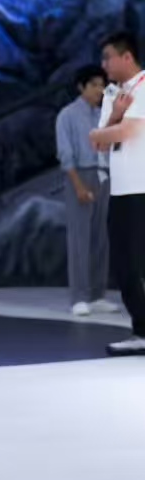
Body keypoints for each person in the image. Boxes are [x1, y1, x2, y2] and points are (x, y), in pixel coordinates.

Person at [91, 31, 145, 355]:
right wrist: (113, 117)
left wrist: (109, 128)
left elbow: (128, 130)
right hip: (121, 190)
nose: (104, 65)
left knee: (137, 262)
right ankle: (141, 329)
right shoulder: (113, 93)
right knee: (125, 264)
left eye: (108, 57)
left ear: (127, 57)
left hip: (142, 188)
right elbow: (99, 142)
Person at [55, 65, 118, 317]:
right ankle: (79, 297)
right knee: (80, 238)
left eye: (102, 85)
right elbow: (65, 154)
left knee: (101, 237)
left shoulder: (103, 114)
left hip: (104, 174)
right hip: (79, 174)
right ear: (81, 87)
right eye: (94, 85)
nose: (99, 90)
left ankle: (97, 295)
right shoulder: (67, 115)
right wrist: (78, 185)